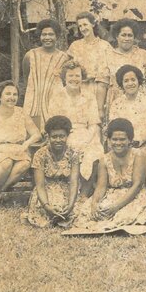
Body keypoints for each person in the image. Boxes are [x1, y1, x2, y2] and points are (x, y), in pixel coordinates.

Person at [0, 80, 42, 214]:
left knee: (25, 163)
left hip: (18, 153)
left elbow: (36, 134)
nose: (12, 97)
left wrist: (25, 144)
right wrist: (6, 150)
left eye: (15, 94)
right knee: (6, 162)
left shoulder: (21, 113)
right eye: (8, 94)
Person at [72, 118, 146, 228]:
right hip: (112, 194)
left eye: (122, 139)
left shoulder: (138, 155)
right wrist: (95, 203)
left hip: (133, 195)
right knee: (90, 213)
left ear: (130, 140)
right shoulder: (104, 160)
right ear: (108, 140)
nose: (118, 143)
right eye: (114, 139)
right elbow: (101, 187)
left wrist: (116, 206)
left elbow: (137, 185)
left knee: (123, 217)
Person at [47, 60, 104, 193]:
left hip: (87, 134)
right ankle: (70, 191)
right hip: (64, 135)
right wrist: (67, 138)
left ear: (82, 77)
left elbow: (93, 124)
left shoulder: (89, 96)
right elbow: (53, 123)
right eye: (70, 76)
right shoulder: (57, 96)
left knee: (95, 152)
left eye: (77, 76)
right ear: (64, 78)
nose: (74, 79)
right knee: (72, 151)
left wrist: (87, 140)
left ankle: (84, 193)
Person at [26, 115, 81, 228]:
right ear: (48, 136)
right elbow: (40, 185)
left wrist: (70, 205)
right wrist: (47, 206)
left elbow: (74, 182)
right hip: (46, 190)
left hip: (67, 188)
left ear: (68, 135)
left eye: (62, 136)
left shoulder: (74, 153)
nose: (58, 140)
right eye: (54, 137)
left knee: (75, 212)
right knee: (47, 211)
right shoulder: (40, 154)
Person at [20, 19, 70, 130]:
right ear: (40, 36)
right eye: (44, 34)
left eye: (51, 34)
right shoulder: (30, 55)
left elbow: (65, 82)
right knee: (34, 137)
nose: (47, 37)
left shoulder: (64, 58)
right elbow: (26, 79)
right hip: (33, 103)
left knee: (54, 133)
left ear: (57, 36)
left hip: (54, 102)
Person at [67, 11, 111, 117]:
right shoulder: (75, 46)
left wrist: (91, 76)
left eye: (85, 24)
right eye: (80, 26)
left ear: (93, 24)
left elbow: (106, 72)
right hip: (79, 87)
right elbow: (68, 66)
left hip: (98, 89)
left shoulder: (105, 46)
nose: (83, 28)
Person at [107, 65, 146, 149]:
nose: (130, 83)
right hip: (124, 147)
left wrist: (140, 141)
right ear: (122, 84)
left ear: (138, 81)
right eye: (126, 81)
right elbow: (114, 129)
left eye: (133, 80)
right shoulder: (116, 104)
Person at [107, 19, 146, 104]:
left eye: (130, 35)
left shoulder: (144, 55)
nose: (127, 38)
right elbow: (102, 85)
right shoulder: (108, 56)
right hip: (116, 103)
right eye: (123, 35)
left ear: (134, 37)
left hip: (141, 102)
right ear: (117, 36)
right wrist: (100, 109)